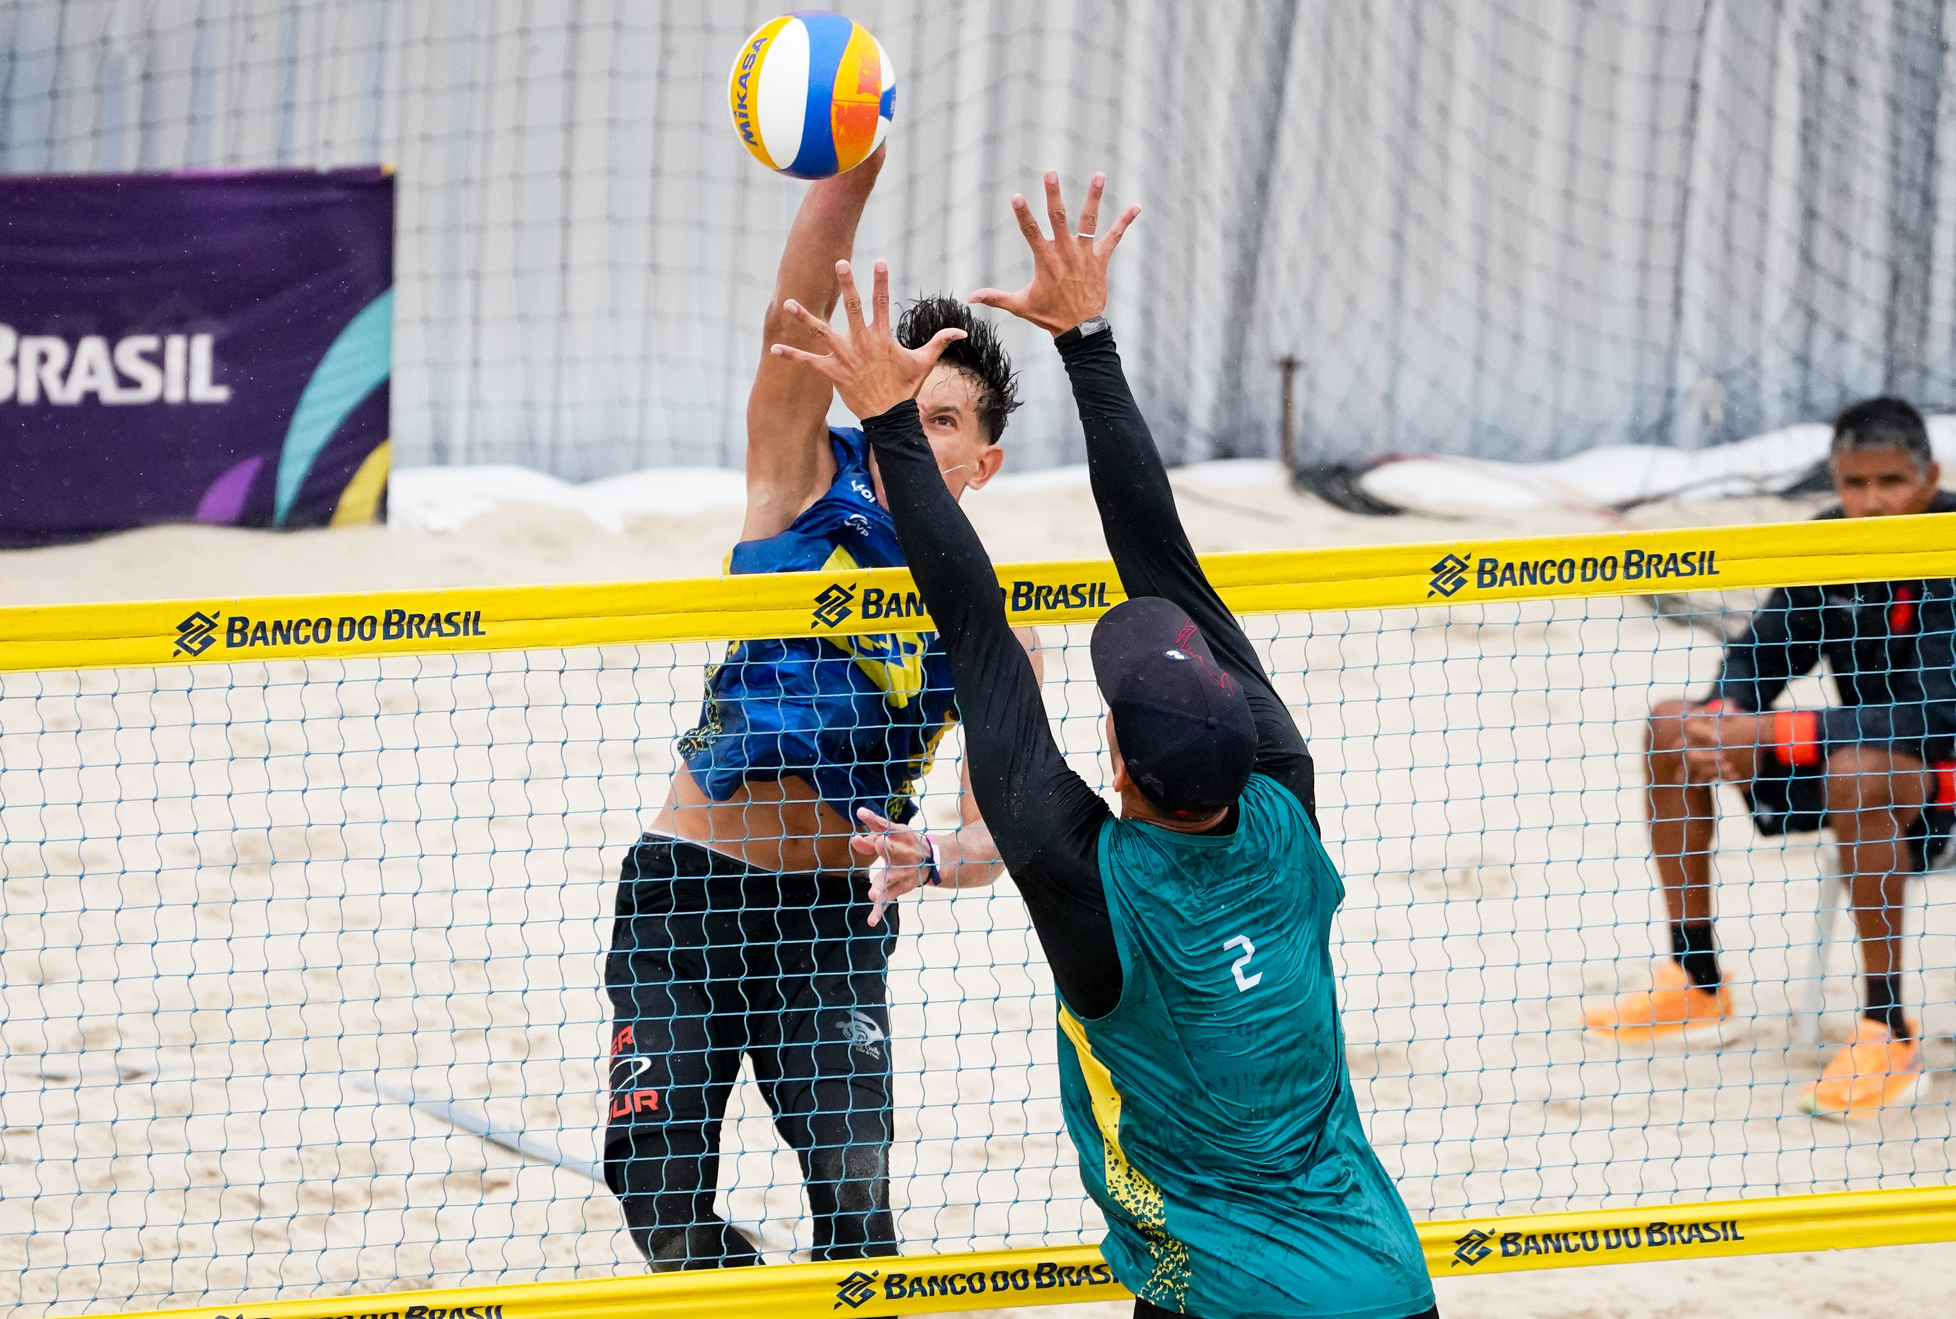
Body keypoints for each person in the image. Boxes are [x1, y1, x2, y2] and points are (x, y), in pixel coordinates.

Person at [772, 171, 1437, 1319]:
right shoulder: (1282, 802)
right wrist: (1081, 341)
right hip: (1385, 1279)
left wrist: (892, 420)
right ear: (1241, 732)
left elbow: (972, 620)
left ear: (1117, 768)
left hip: (1224, 1297)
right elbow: (1149, 563)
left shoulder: (1098, 886)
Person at [602, 145, 1040, 1271]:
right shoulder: (800, 481)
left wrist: (936, 858)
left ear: (983, 462)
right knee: (656, 1199)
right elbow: (793, 313)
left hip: (832, 918)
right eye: (906, 404)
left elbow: (1001, 830)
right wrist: (852, 163)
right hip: (689, 891)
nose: (919, 429)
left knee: (855, 1206)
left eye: (945, 419)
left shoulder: (999, 621)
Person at [1584, 396, 1956, 1117]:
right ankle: (1696, 981)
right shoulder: (1830, 541)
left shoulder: (1952, 541)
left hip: (1938, 770)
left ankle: (1888, 1029)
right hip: (1855, 757)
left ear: (1930, 477)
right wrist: (1725, 713)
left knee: (1860, 772)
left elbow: (1940, 714)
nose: (1871, 502)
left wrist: (1776, 734)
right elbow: (1760, 650)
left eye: (1890, 482)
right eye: (1854, 483)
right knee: (1672, 728)